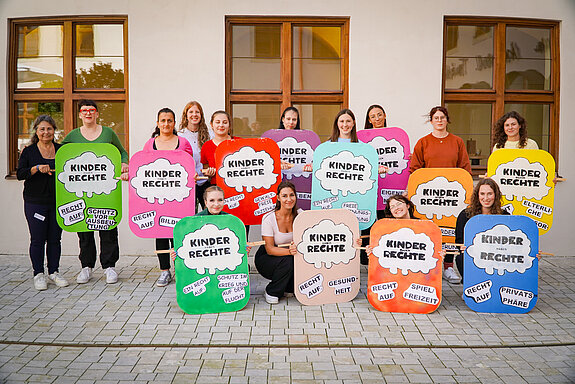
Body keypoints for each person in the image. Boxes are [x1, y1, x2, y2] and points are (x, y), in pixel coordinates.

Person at [62, 99, 129, 285]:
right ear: (80, 115)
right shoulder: (73, 136)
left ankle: (109, 267)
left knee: (108, 226)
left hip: (105, 191)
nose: (88, 113)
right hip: (81, 191)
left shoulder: (108, 133)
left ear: (97, 113)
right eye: (84, 111)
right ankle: (86, 267)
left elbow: (122, 152)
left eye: (92, 110)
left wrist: (124, 163)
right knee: (84, 228)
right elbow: (60, 154)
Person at [17, 115, 68, 290]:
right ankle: (38, 274)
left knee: (55, 239)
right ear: (36, 131)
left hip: (58, 201)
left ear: (54, 131)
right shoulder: (29, 151)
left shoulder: (62, 150)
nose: (46, 132)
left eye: (49, 129)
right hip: (35, 202)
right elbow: (20, 174)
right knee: (38, 239)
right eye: (42, 129)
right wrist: (36, 168)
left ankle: (54, 272)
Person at [143, 107, 193, 287]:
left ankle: (181, 269)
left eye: (169, 120)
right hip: (158, 197)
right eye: (162, 120)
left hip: (180, 197)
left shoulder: (184, 142)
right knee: (161, 233)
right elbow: (144, 168)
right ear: (157, 123)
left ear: (174, 123)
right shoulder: (150, 144)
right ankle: (164, 271)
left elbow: (189, 167)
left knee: (180, 233)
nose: (166, 124)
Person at [454, 178, 509, 283]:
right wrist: (462, 246)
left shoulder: (504, 215)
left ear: (495, 195)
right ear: (477, 195)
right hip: (475, 253)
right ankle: (470, 286)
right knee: (461, 258)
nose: (486, 198)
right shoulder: (465, 215)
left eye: (490, 194)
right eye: (482, 194)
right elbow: (459, 240)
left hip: (496, 255)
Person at [255, 181, 301, 304]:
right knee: (289, 260)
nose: (289, 199)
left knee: (292, 288)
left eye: (292, 195)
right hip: (268, 257)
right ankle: (272, 291)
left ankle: (287, 286)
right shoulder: (269, 218)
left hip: (292, 255)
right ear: (278, 198)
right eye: (284, 196)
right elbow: (269, 248)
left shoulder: (301, 215)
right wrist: (289, 252)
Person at [410, 106, 472, 174]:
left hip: (452, 183)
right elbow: (415, 169)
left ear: (447, 120)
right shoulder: (422, 142)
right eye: (436, 118)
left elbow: (465, 168)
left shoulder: (457, 141)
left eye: (442, 117)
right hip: (429, 183)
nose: (439, 120)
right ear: (431, 121)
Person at [177, 101, 214, 209]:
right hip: (188, 182)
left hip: (206, 181)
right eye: (191, 112)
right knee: (189, 214)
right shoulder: (180, 135)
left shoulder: (210, 134)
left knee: (209, 214)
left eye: (197, 112)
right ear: (186, 115)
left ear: (201, 115)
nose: (194, 115)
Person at [200, 110, 234, 183]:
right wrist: (209, 173)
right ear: (212, 125)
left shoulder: (238, 142)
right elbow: (205, 168)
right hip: (216, 188)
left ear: (229, 125)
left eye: (225, 122)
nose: (221, 125)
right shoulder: (206, 146)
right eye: (217, 122)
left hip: (237, 188)